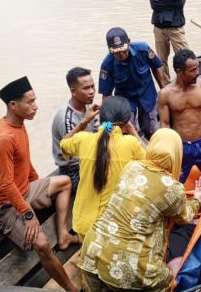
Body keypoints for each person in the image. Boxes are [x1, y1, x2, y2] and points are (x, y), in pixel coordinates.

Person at [80, 129, 201, 292]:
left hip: (92, 251)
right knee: (169, 279)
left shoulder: (132, 167)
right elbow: (184, 217)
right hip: (129, 266)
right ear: (177, 154)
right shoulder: (172, 187)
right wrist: (198, 198)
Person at [0, 76, 79, 292]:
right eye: (30, 102)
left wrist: (38, 183)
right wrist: (28, 214)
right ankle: (71, 289)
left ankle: (64, 235)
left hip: (25, 190)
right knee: (43, 245)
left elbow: (25, 162)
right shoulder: (3, 138)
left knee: (65, 182)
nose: (35, 106)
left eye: (35, 100)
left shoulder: (19, 123)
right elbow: (6, 184)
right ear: (13, 105)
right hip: (4, 205)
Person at [60, 96, 146, 237]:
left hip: (84, 224)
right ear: (126, 121)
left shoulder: (83, 139)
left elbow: (64, 143)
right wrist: (133, 131)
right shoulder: (131, 143)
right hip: (114, 226)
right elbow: (152, 161)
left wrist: (84, 121)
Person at [158, 49, 201, 183]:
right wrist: (168, 150)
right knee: (174, 184)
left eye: (197, 68)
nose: (198, 73)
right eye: (193, 70)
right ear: (179, 72)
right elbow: (164, 124)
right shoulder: (165, 94)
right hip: (180, 146)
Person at [99, 27, 165, 140]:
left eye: (124, 50)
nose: (121, 55)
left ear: (128, 42)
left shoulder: (143, 49)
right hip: (125, 100)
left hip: (147, 94)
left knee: (152, 131)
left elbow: (156, 67)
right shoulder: (107, 65)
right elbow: (106, 95)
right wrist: (107, 124)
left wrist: (164, 90)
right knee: (127, 134)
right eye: (117, 53)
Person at [51, 67, 99, 189]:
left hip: (88, 159)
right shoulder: (66, 118)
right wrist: (84, 122)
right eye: (86, 88)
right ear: (73, 91)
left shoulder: (88, 108)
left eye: (93, 86)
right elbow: (69, 150)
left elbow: (97, 133)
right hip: (72, 168)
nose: (92, 91)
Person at [150, 0, 189, 85]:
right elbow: (154, 4)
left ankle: (185, 84)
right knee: (161, 61)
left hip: (176, 27)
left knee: (185, 57)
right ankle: (165, 86)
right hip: (159, 27)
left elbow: (180, 2)